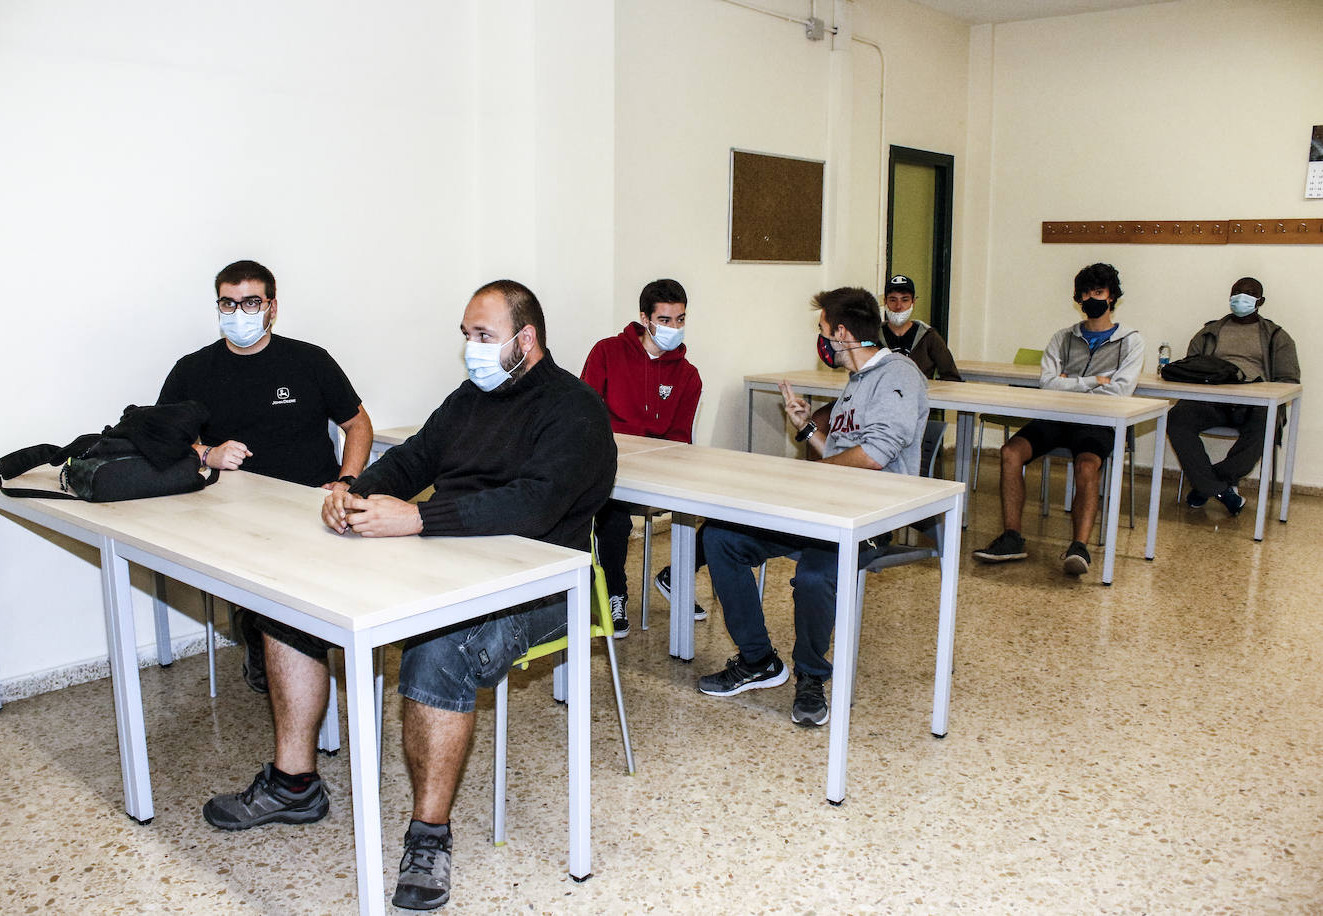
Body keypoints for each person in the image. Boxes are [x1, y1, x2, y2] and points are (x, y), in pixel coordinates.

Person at [306, 279, 613, 911]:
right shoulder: (469, 399)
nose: (471, 350)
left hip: (544, 586)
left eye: (484, 337)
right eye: (467, 336)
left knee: (436, 648)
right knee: (321, 588)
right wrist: (356, 490)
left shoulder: (574, 410)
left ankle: (429, 834)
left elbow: (533, 505)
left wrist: (416, 520)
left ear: (525, 340)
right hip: (454, 566)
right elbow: (414, 459)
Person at [697, 287, 928, 728]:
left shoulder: (898, 375)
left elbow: (874, 456)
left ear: (842, 333)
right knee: (720, 537)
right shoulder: (856, 381)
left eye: (823, 330)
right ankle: (758, 659)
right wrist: (806, 430)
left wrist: (818, 476)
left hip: (868, 518)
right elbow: (840, 453)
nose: (821, 340)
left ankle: (811, 676)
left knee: (816, 576)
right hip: (823, 508)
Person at [159, 259, 372, 694]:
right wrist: (207, 453)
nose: (239, 313)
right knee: (259, 576)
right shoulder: (193, 370)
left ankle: (291, 643)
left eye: (251, 302)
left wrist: (347, 480)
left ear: (272, 308)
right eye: (229, 303)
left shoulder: (309, 361)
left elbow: (358, 425)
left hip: (312, 505)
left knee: (326, 577)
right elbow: (159, 438)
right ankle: (266, 637)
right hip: (232, 515)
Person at [972, 262, 1144, 576]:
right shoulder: (1062, 337)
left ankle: (1079, 547)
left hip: (1098, 421)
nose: (1092, 298)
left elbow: (1120, 392)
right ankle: (1012, 537)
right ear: (1077, 298)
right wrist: (1093, 381)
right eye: (1086, 292)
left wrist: (1070, 381)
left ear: (1111, 296)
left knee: (1087, 465)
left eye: (1099, 292)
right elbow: (1047, 383)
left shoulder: (1130, 341)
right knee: (1011, 453)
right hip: (1055, 416)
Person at [581, 278, 702, 636]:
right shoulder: (606, 352)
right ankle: (615, 595)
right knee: (614, 517)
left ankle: (677, 580)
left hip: (657, 475)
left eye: (680, 319)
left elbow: (680, 439)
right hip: (608, 471)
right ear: (644, 318)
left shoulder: (688, 376)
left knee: (706, 509)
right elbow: (586, 416)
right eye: (665, 320)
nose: (673, 328)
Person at [1167, 277, 1299, 516]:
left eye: (1248, 294)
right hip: (1212, 401)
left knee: (1267, 422)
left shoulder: (1276, 337)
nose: (1241, 298)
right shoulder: (1208, 332)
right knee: (1178, 416)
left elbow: (1289, 381)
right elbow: (1191, 368)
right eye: (1236, 292)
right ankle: (1220, 489)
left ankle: (1207, 484)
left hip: (1254, 405)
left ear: (1261, 301)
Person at [881, 273, 962, 476]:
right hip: (880, 408)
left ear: (913, 302)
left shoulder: (928, 336)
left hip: (915, 411)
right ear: (884, 302)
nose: (898, 306)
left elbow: (951, 377)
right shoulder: (874, 336)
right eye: (893, 300)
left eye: (904, 300)